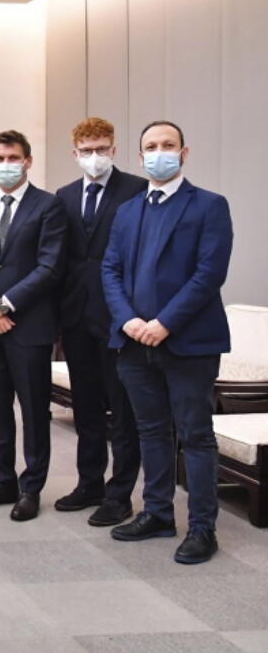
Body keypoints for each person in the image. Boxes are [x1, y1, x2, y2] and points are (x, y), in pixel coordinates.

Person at [103, 120, 233, 565]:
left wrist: (165, 323)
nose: (160, 152)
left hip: (189, 343)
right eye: (151, 147)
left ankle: (203, 528)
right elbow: (111, 271)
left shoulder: (210, 207)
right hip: (133, 343)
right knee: (151, 431)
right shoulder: (128, 210)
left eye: (168, 145)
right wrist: (129, 321)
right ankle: (158, 513)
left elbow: (208, 274)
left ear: (184, 152)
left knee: (195, 436)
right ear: (139, 158)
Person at [0, 129, 64, 522]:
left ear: (28, 161)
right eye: (0, 159)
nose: (6, 165)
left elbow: (50, 266)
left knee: (34, 410)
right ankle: (3, 478)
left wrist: (5, 304)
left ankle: (32, 486)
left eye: (13, 158)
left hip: (29, 326)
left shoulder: (48, 206)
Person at [53, 117, 144, 526]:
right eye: (87, 150)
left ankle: (120, 493)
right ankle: (89, 481)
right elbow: (62, 258)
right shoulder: (65, 195)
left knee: (123, 411)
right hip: (76, 317)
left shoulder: (136, 190)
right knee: (86, 407)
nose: (95, 157)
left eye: (102, 148)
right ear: (75, 154)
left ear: (114, 149)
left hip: (119, 317)